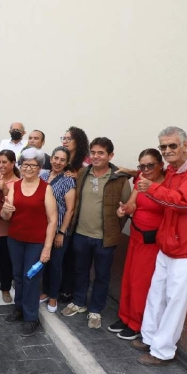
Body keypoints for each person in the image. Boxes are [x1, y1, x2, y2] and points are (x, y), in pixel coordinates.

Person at [132, 127, 187, 366]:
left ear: (184, 145)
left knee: (175, 300)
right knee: (157, 292)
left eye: (172, 145)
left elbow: (186, 202)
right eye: (163, 146)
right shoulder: (172, 169)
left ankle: (162, 351)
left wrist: (151, 188)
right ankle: (149, 337)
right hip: (168, 242)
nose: (167, 150)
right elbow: (165, 191)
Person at [61, 137, 132, 329]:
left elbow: (126, 208)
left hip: (104, 238)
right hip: (81, 234)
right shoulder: (83, 172)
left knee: (101, 275)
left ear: (110, 155)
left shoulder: (119, 179)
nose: (96, 156)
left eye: (101, 153)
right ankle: (79, 302)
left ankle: (95, 310)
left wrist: (115, 227)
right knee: (80, 271)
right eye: (93, 152)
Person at [107, 149, 165, 340]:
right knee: (129, 278)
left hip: (151, 241)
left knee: (142, 283)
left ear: (160, 165)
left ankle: (137, 323)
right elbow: (133, 204)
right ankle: (125, 317)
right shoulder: (140, 180)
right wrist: (125, 209)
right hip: (135, 236)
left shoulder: (166, 184)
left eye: (150, 165)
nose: (146, 170)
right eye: (142, 166)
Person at [1, 148, 57, 336]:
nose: (29, 168)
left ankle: (31, 317)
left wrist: (47, 248)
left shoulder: (46, 188)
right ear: (21, 166)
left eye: (33, 165)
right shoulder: (15, 186)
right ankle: (19, 309)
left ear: (40, 168)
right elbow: (6, 216)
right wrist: (6, 210)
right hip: (15, 239)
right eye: (25, 164)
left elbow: (52, 220)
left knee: (31, 278)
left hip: (36, 242)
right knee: (18, 276)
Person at [38, 147, 76, 313]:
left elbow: (70, 210)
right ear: (51, 158)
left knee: (55, 264)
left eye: (62, 160)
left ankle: (53, 295)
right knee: (43, 262)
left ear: (67, 163)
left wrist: (61, 232)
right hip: (42, 228)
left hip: (58, 230)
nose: (58, 162)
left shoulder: (68, 181)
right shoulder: (42, 175)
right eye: (56, 158)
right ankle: (45, 291)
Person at [57, 126, 91, 304]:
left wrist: (77, 176)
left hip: (77, 215)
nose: (65, 140)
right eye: (63, 137)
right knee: (60, 255)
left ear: (78, 140)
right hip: (59, 214)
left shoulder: (86, 162)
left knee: (72, 257)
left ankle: (68, 289)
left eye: (69, 138)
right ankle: (58, 286)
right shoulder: (61, 159)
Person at [0, 150, 20, 303]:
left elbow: (15, 205)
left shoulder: (18, 183)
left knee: (6, 261)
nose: (1, 165)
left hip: (7, 229)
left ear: (13, 163)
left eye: (5, 162)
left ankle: (5, 289)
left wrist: (4, 189)